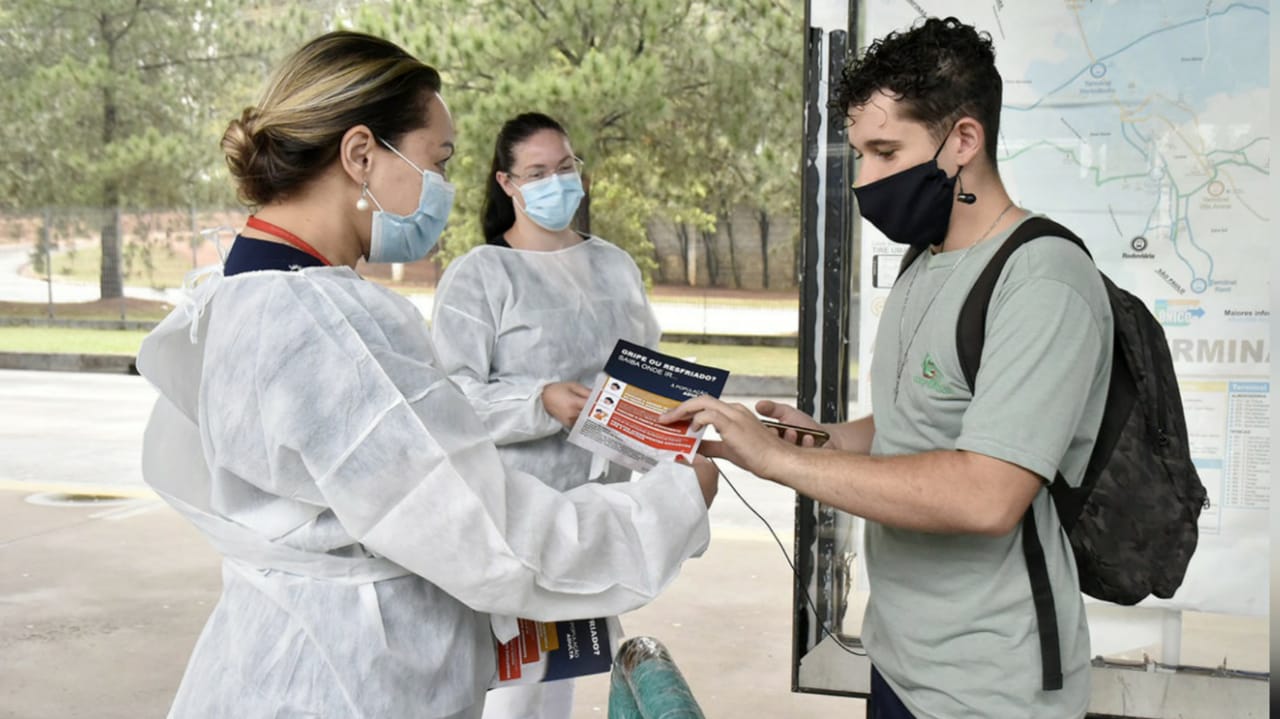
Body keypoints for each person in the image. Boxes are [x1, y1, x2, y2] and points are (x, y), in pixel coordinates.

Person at [136, 31, 717, 719]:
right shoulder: (328, 323)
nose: (443, 186)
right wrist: (675, 500)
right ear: (360, 154)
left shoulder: (242, 294)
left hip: (284, 657)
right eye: (437, 160)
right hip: (347, 680)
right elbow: (490, 539)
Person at [661, 17, 1112, 719]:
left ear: (964, 140)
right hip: (899, 657)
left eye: (885, 151)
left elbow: (986, 495)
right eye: (860, 154)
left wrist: (782, 465)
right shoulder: (925, 261)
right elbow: (920, 421)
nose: (865, 178)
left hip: (987, 688)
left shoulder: (1042, 280)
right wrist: (823, 440)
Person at [430, 112, 664, 719]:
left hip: (594, 516)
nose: (556, 182)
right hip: (514, 518)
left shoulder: (615, 266)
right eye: (537, 173)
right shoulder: (481, 275)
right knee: (510, 692)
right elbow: (449, 401)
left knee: (561, 681)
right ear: (506, 183)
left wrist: (670, 424)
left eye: (565, 168)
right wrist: (540, 402)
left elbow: (645, 371)